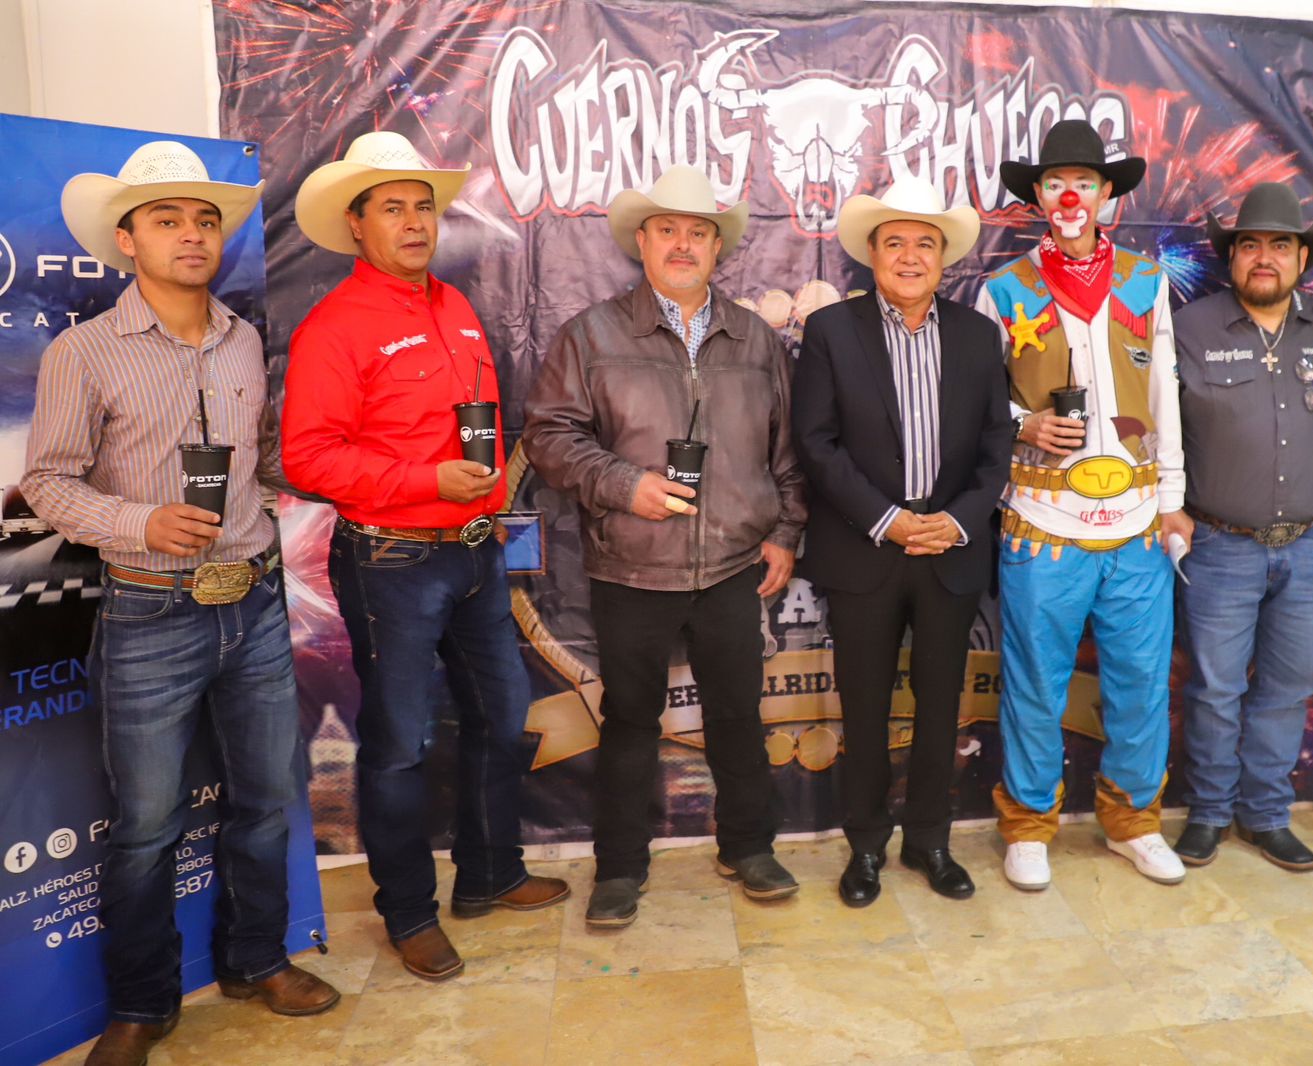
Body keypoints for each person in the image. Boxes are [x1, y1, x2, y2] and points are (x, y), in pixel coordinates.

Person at [22, 141, 339, 1066]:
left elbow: (263, 459)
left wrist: (322, 475)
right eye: (167, 219)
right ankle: (140, 1004)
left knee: (265, 799)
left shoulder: (243, 340)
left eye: (205, 220)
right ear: (127, 241)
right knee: (147, 826)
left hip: (255, 603)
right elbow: (47, 482)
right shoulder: (84, 353)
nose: (192, 234)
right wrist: (140, 521)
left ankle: (257, 959)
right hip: (149, 610)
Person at [282, 131, 568, 982]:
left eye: (423, 207)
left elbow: (477, 427)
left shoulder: (455, 307)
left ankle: (490, 873)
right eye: (393, 208)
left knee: (501, 718)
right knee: (399, 745)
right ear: (356, 224)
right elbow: (307, 459)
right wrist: (425, 480)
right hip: (392, 562)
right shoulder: (335, 326)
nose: (414, 222)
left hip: (476, 554)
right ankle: (408, 912)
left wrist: (478, 495)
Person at [524, 166, 807, 927]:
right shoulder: (591, 335)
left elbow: (786, 452)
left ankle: (748, 847)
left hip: (733, 567)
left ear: (718, 246)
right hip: (631, 567)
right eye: (668, 229)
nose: (683, 244)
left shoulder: (755, 339)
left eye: (698, 231)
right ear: (642, 241)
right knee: (629, 722)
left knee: (738, 715)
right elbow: (549, 436)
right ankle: (620, 868)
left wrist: (785, 532)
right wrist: (625, 485)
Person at [974, 119, 1192, 889]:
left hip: (1135, 521)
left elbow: (1165, 392)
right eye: (1056, 183)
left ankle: (1133, 820)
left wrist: (1173, 499)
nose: (1071, 196)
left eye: (1085, 183)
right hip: (1044, 520)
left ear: (1106, 195)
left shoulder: (1145, 281)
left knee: (1140, 681)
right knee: (1036, 681)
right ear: (1038, 195)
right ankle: (1029, 823)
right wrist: (1021, 423)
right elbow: (976, 399)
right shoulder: (1004, 288)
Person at [792, 179, 1012, 906]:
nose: (910, 256)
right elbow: (816, 443)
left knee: (941, 705)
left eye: (924, 243)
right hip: (866, 549)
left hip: (950, 549)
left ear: (944, 258)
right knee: (864, 707)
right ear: (871, 254)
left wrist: (958, 521)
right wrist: (887, 519)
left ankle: (929, 840)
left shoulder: (977, 335)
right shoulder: (831, 331)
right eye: (895, 242)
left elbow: (997, 446)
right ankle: (865, 847)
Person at [1170, 182, 1313, 871]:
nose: (1265, 257)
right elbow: (1156, 429)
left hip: (1309, 546)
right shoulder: (1190, 328)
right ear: (1232, 257)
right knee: (1215, 688)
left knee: (1289, 684)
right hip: (1221, 544)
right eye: (1250, 244)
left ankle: (1267, 814)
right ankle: (1210, 813)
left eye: (1281, 245)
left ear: (1303, 258)